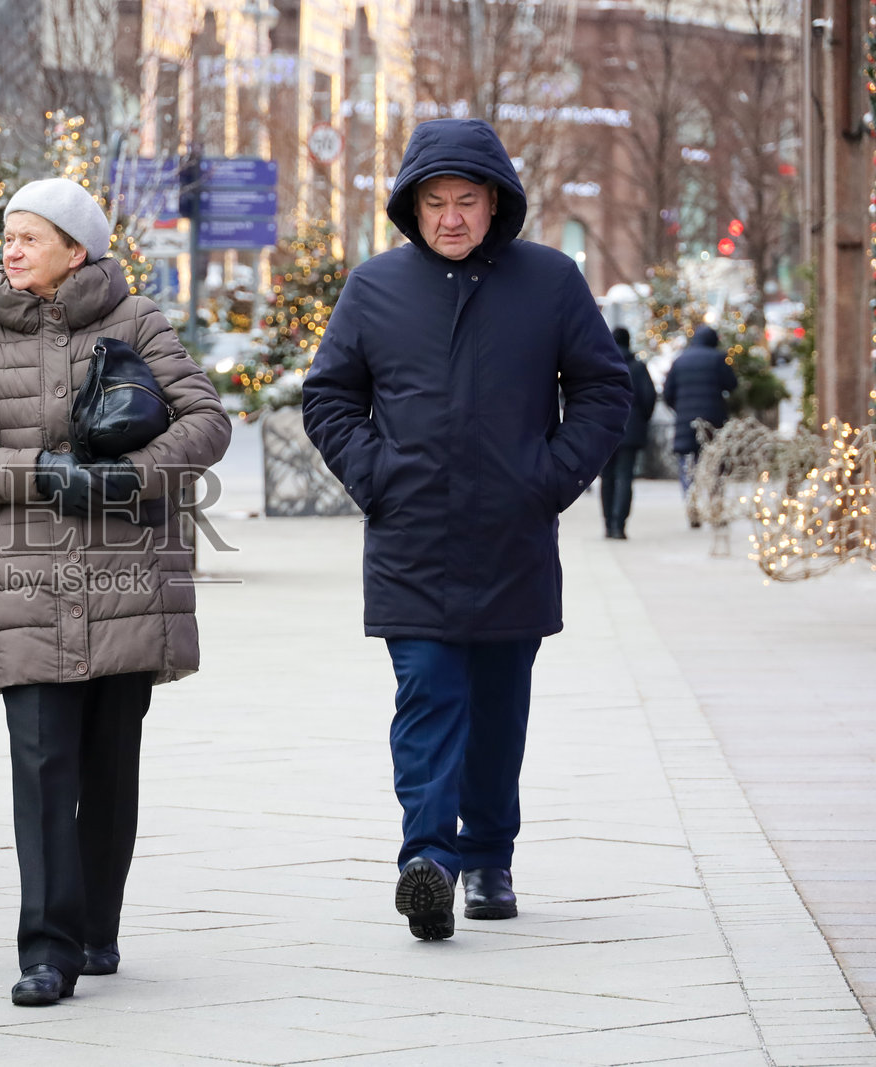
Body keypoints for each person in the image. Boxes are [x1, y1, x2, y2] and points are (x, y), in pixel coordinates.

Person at [301, 119, 631, 941]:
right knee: (428, 696)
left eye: (468, 201)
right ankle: (428, 859)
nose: (451, 217)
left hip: (513, 537)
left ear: (496, 205)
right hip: (411, 541)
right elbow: (328, 397)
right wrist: (376, 476)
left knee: (497, 708)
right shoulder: (374, 288)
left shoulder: (551, 281)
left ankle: (488, 856)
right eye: (436, 202)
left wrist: (548, 480)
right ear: (413, 208)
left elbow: (604, 389)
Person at [0, 178, 231, 1005]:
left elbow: (206, 422)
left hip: (127, 579)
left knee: (107, 768)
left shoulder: (137, 319)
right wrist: (39, 472)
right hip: (29, 581)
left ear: (78, 250)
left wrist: (120, 481)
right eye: (9, 234)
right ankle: (45, 949)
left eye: (32, 235)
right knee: (39, 769)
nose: (13, 248)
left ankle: (97, 927)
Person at [661, 325, 737, 525]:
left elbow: (667, 393)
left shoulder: (679, 361)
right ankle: (716, 509)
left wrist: (680, 410)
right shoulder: (718, 359)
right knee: (715, 465)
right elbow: (732, 384)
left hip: (686, 422)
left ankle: (691, 507)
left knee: (688, 467)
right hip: (713, 421)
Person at [599, 326, 659, 539]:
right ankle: (619, 525)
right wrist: (641, 419)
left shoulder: (601, 364)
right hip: (630, 429)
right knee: (625, 476)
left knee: (607, 476)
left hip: (603, 428)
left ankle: (607, 524)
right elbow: (649, 397)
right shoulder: (638, 367)